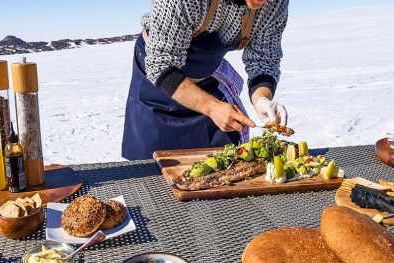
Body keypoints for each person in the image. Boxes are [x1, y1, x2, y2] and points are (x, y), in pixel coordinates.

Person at [121, 0, 289, 160]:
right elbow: (161, 65)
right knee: (154, 165)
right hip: (157, 83)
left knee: (222, 162)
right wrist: (212, 107)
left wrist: (262, 99)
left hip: (206, 78)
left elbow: (264, 60)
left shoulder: (274, 3)